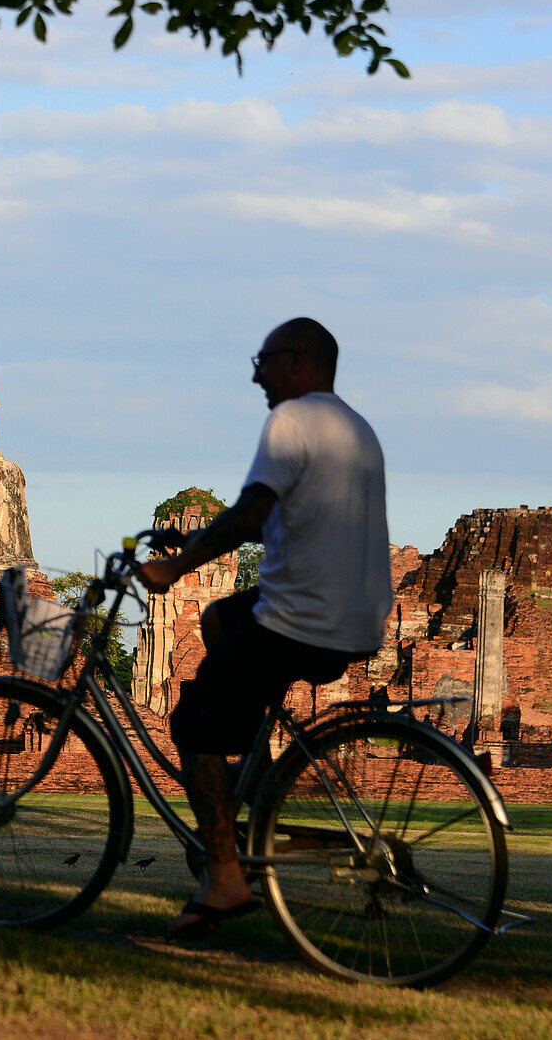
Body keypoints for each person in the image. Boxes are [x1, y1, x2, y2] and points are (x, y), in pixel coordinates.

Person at [136, 317, 393, 940]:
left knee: (191, 721)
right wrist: (194, 537)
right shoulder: (356, 429)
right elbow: (262, 525)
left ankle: (225, 879)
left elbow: (251, 510)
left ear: (298, 362)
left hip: (300, 620)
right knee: (216, 618)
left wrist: (175, 564)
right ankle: (256, 766)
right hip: (353, 617)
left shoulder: (292, 421)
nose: (256, 374)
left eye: (265, 360)